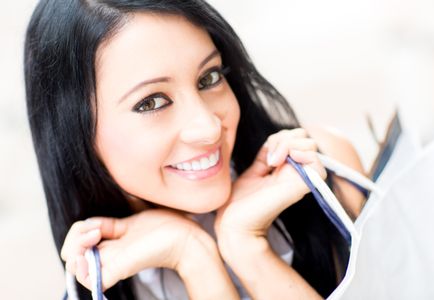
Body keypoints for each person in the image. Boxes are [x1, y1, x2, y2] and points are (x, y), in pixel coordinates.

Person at [24, 1, 366, 299]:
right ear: (74, 132)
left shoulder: (320, 172)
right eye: (152, 102)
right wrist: (193, 256)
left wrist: (247, 247)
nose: (209, 127)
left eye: (209, 78)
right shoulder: (106, 280)